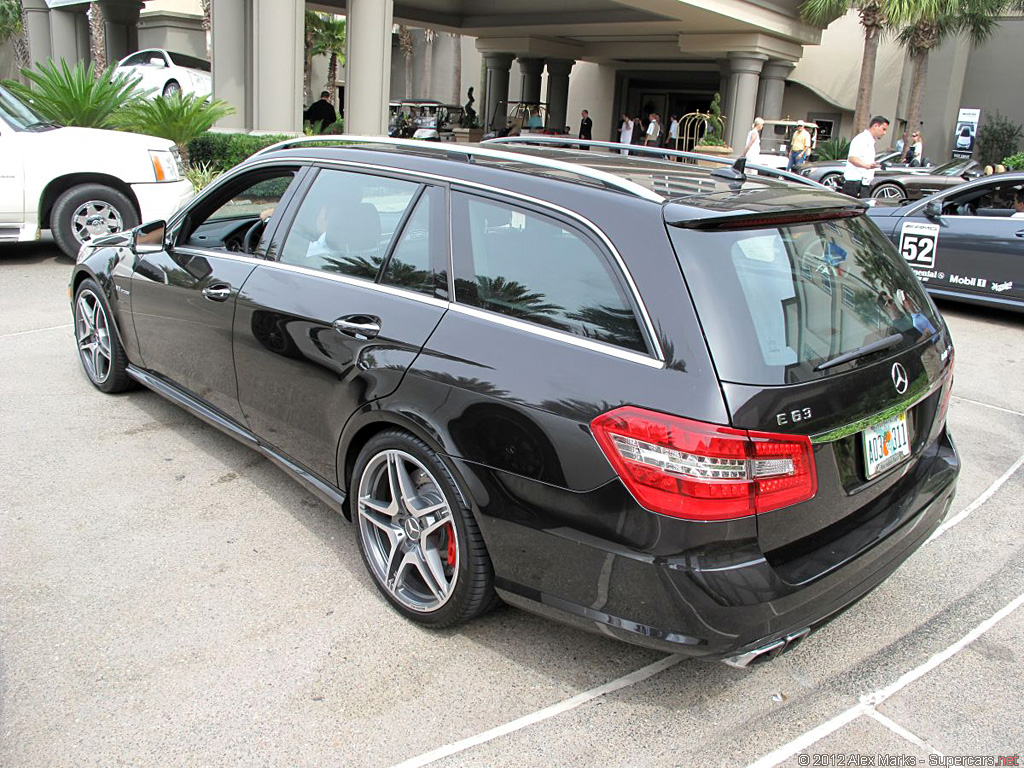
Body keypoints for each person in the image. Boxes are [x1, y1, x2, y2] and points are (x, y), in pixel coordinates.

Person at [842, 115, 889, 198]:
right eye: (883, 129)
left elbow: (862, 159)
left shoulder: (870, 141)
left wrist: (873, 164)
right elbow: (852, 158)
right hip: (855, 184)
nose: (884, 133)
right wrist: (867, 166)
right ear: (875, 126)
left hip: (863, 184)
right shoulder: (862, 139)